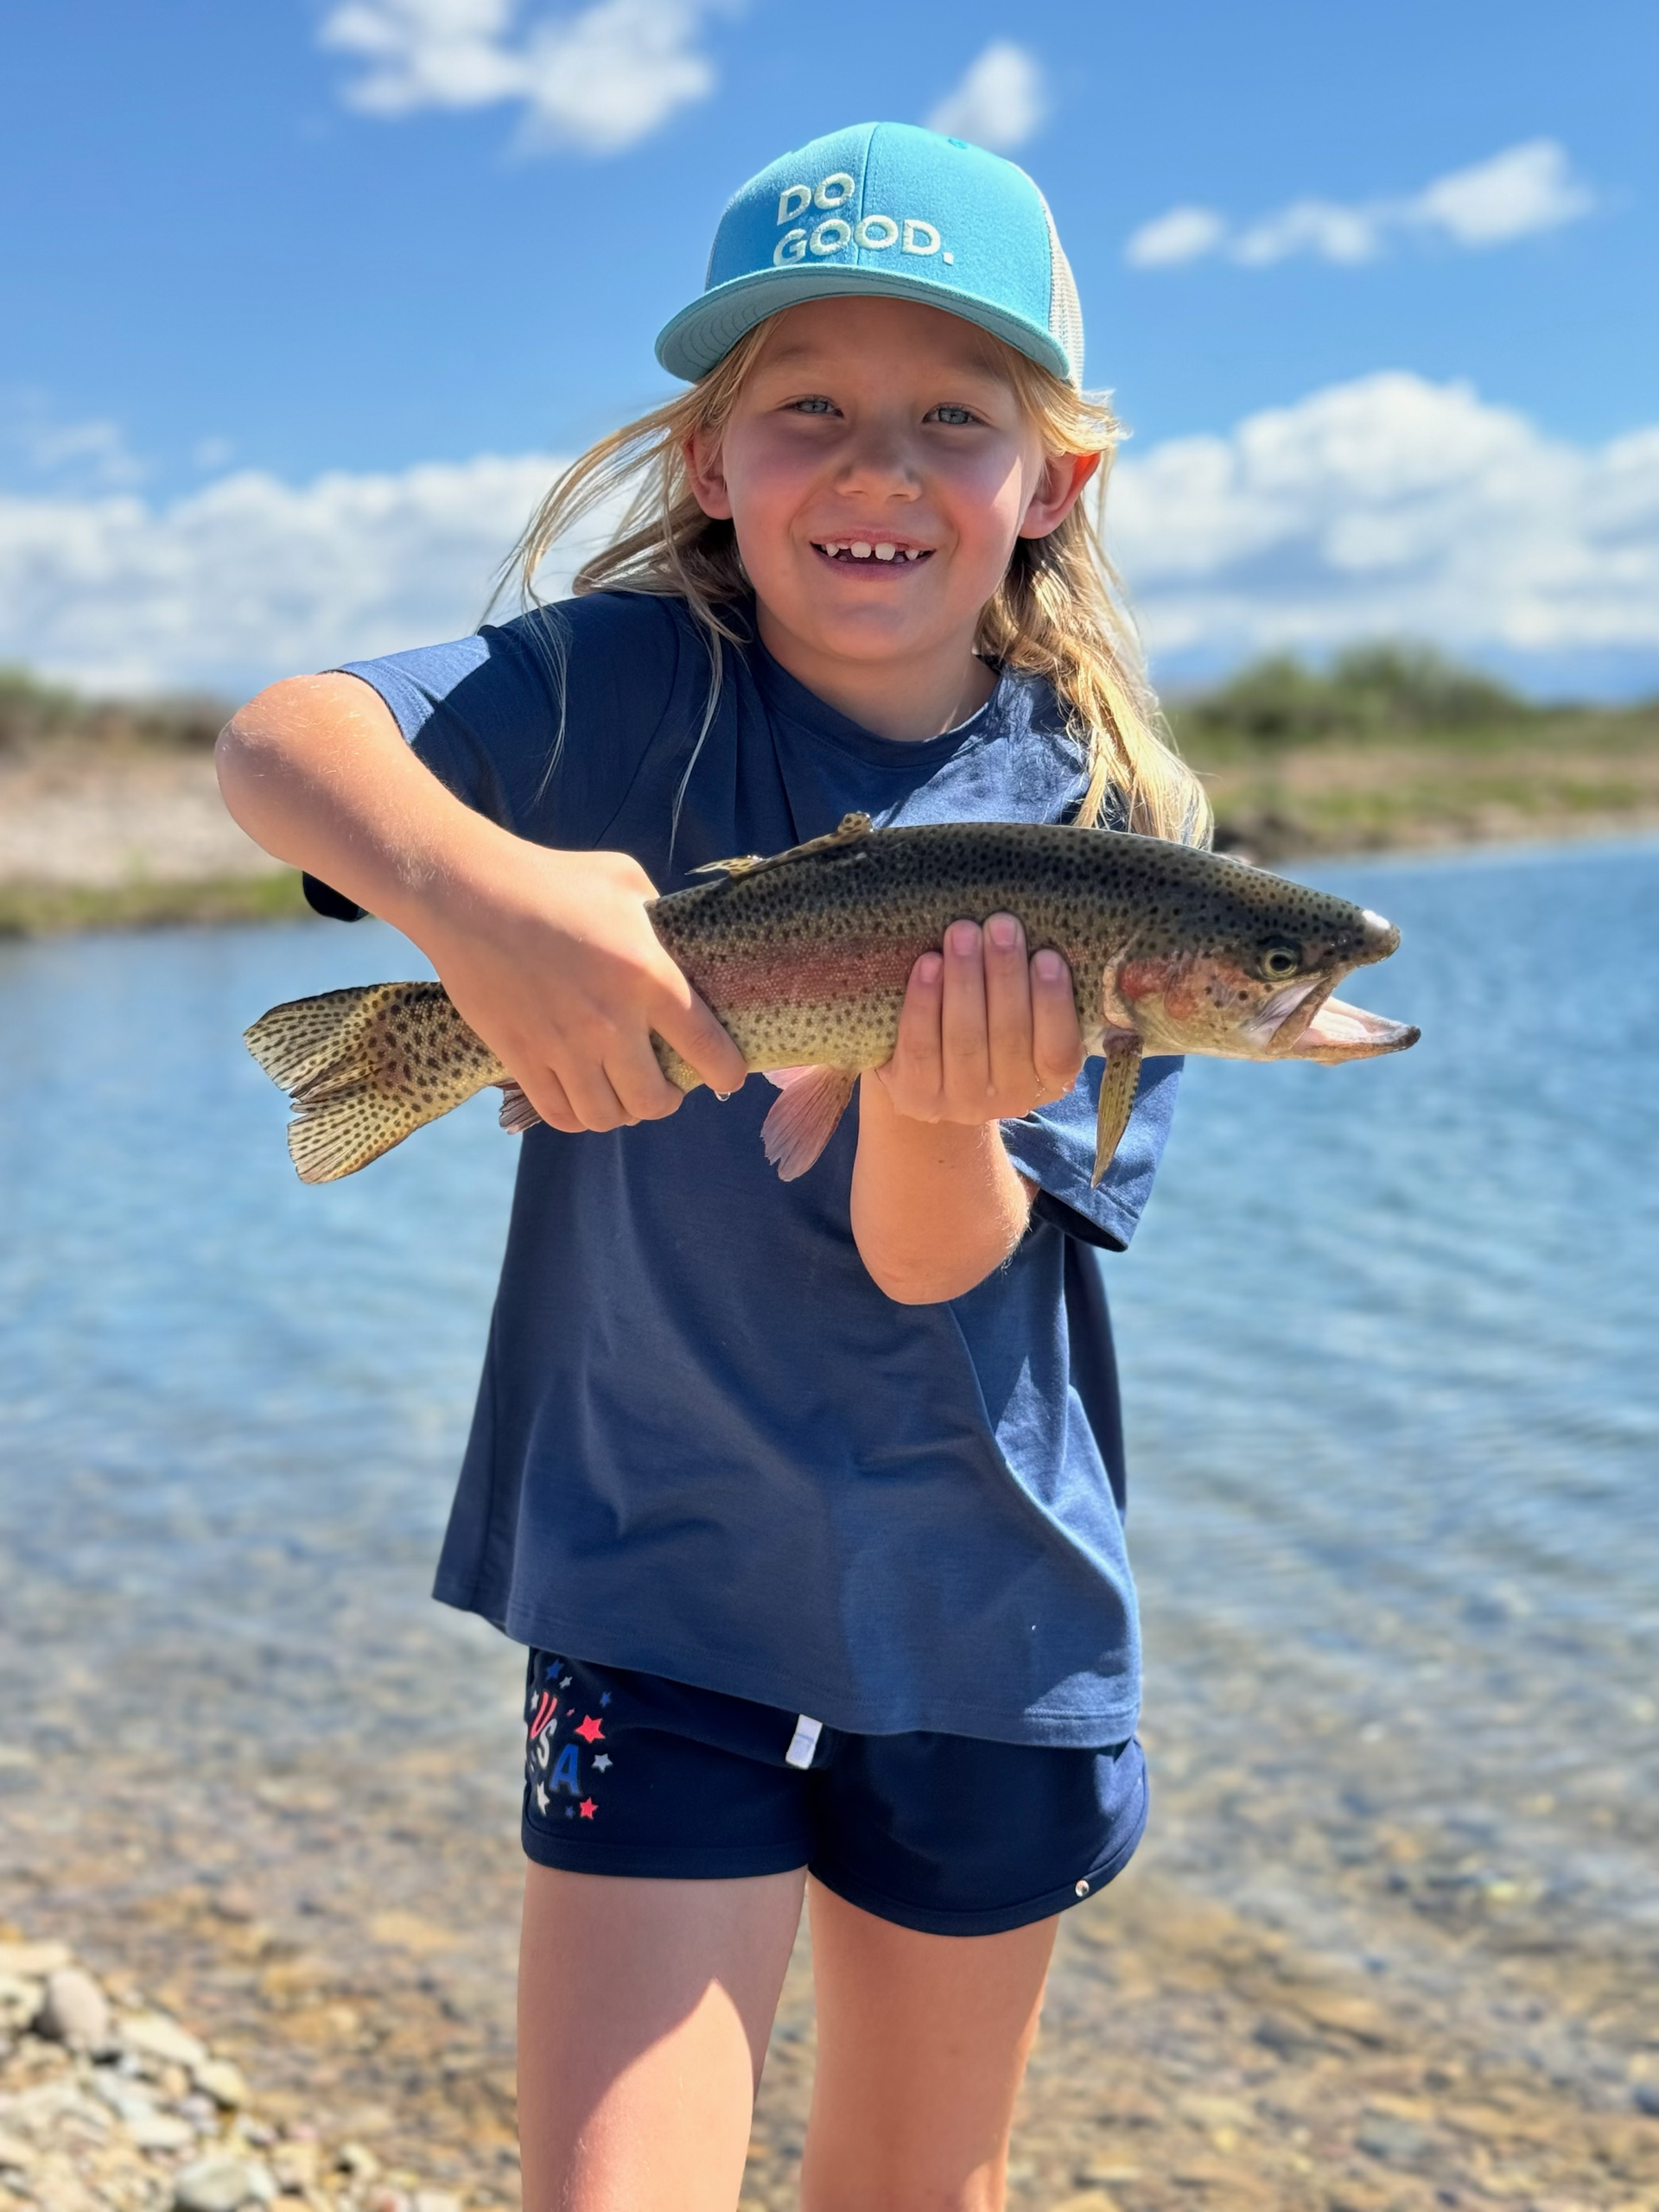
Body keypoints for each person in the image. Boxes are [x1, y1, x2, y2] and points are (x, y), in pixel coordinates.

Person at [217, 121, 1209, 2212]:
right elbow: (278, 746)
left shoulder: (1113, 827)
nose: (880, 467)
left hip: (988, 1621)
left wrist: (927, 1096)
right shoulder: (617, 688)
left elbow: (945, 1265)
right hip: (648, 1574)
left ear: (1054, 484)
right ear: (708, 460)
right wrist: (477, 902)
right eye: (808, 410)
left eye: (958, 418)